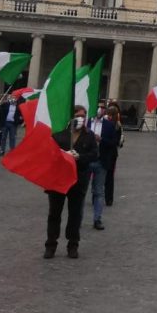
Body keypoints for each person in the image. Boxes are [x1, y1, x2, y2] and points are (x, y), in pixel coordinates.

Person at [46, 106, 98, 259]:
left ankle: (73, 244)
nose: (80, 118)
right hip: (58, 180)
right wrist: (63, 156)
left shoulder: (89, 136)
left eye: (83, 116)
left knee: (75, 215)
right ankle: (50, 244)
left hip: (78, 181)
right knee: (54, 214)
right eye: (77, 115)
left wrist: (79, 157)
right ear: (71, 117)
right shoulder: (59, 134)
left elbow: (94, 155)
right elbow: (50, 154)